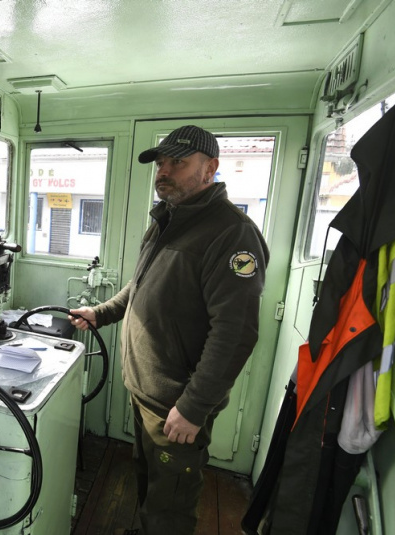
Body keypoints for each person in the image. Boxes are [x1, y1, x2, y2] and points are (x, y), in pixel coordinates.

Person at [69, 125, 269, 535]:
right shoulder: (168, 218)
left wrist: (193, 408)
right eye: (161, 162)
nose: (164, 171)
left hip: (176, 404)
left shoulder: (231, 232)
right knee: (149, 485)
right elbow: (141, 285)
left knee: (170, 507)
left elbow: (235, 333)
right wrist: (102, 312)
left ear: (210, 167)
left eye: (178, 162)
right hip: (146, 392)